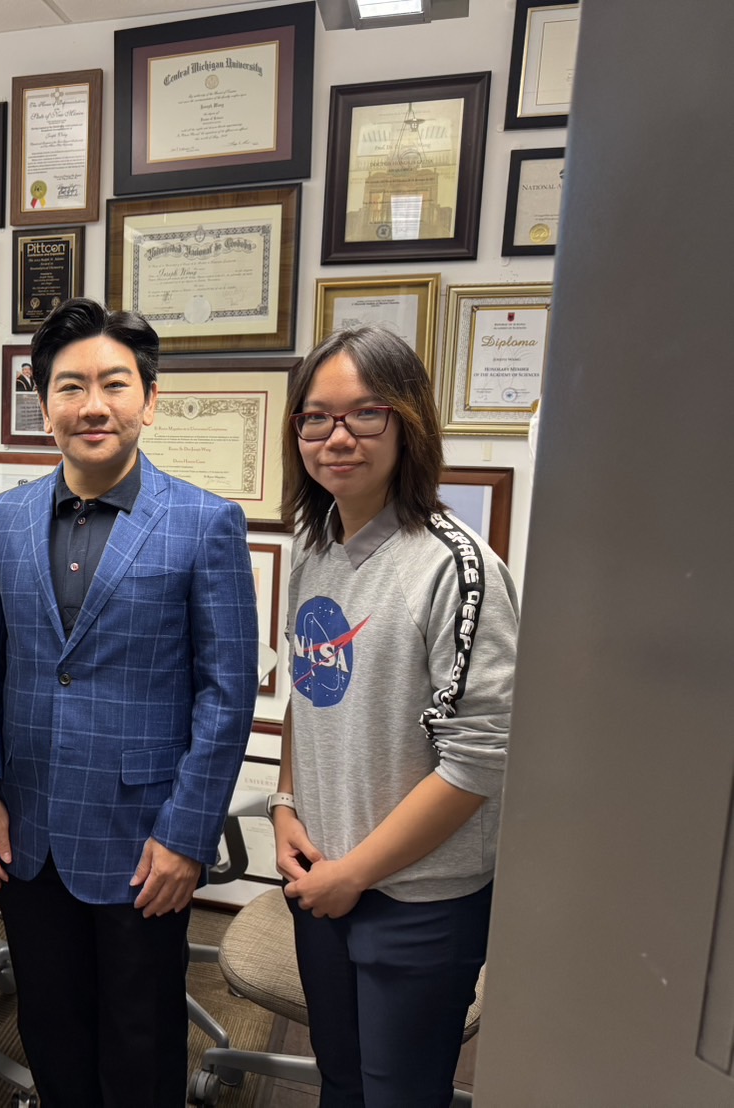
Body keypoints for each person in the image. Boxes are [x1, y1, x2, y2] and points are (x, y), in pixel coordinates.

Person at [0, 297, 258, 1106]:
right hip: (26, 831)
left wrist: (186, 836)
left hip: (144, 838)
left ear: (149, 400)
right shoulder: (5, 518)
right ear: (42, 400)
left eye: (114, 384)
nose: (92, 405)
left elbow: (226, 695)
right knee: (49, 1028)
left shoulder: (205, 523)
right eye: (70, 386)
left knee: (139, 1040)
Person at [273, 325, 519, 1107]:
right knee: (341, 1081)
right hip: (323, 879)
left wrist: (355, 874)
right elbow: (307, 691)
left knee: (400, 1094)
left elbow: (478, 761)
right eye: (316, 418)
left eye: (364, 414)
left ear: (407, 420)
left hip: (417, 898)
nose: (336, 437)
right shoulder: (315, 551)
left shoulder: (457, 568)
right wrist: (284, 804)